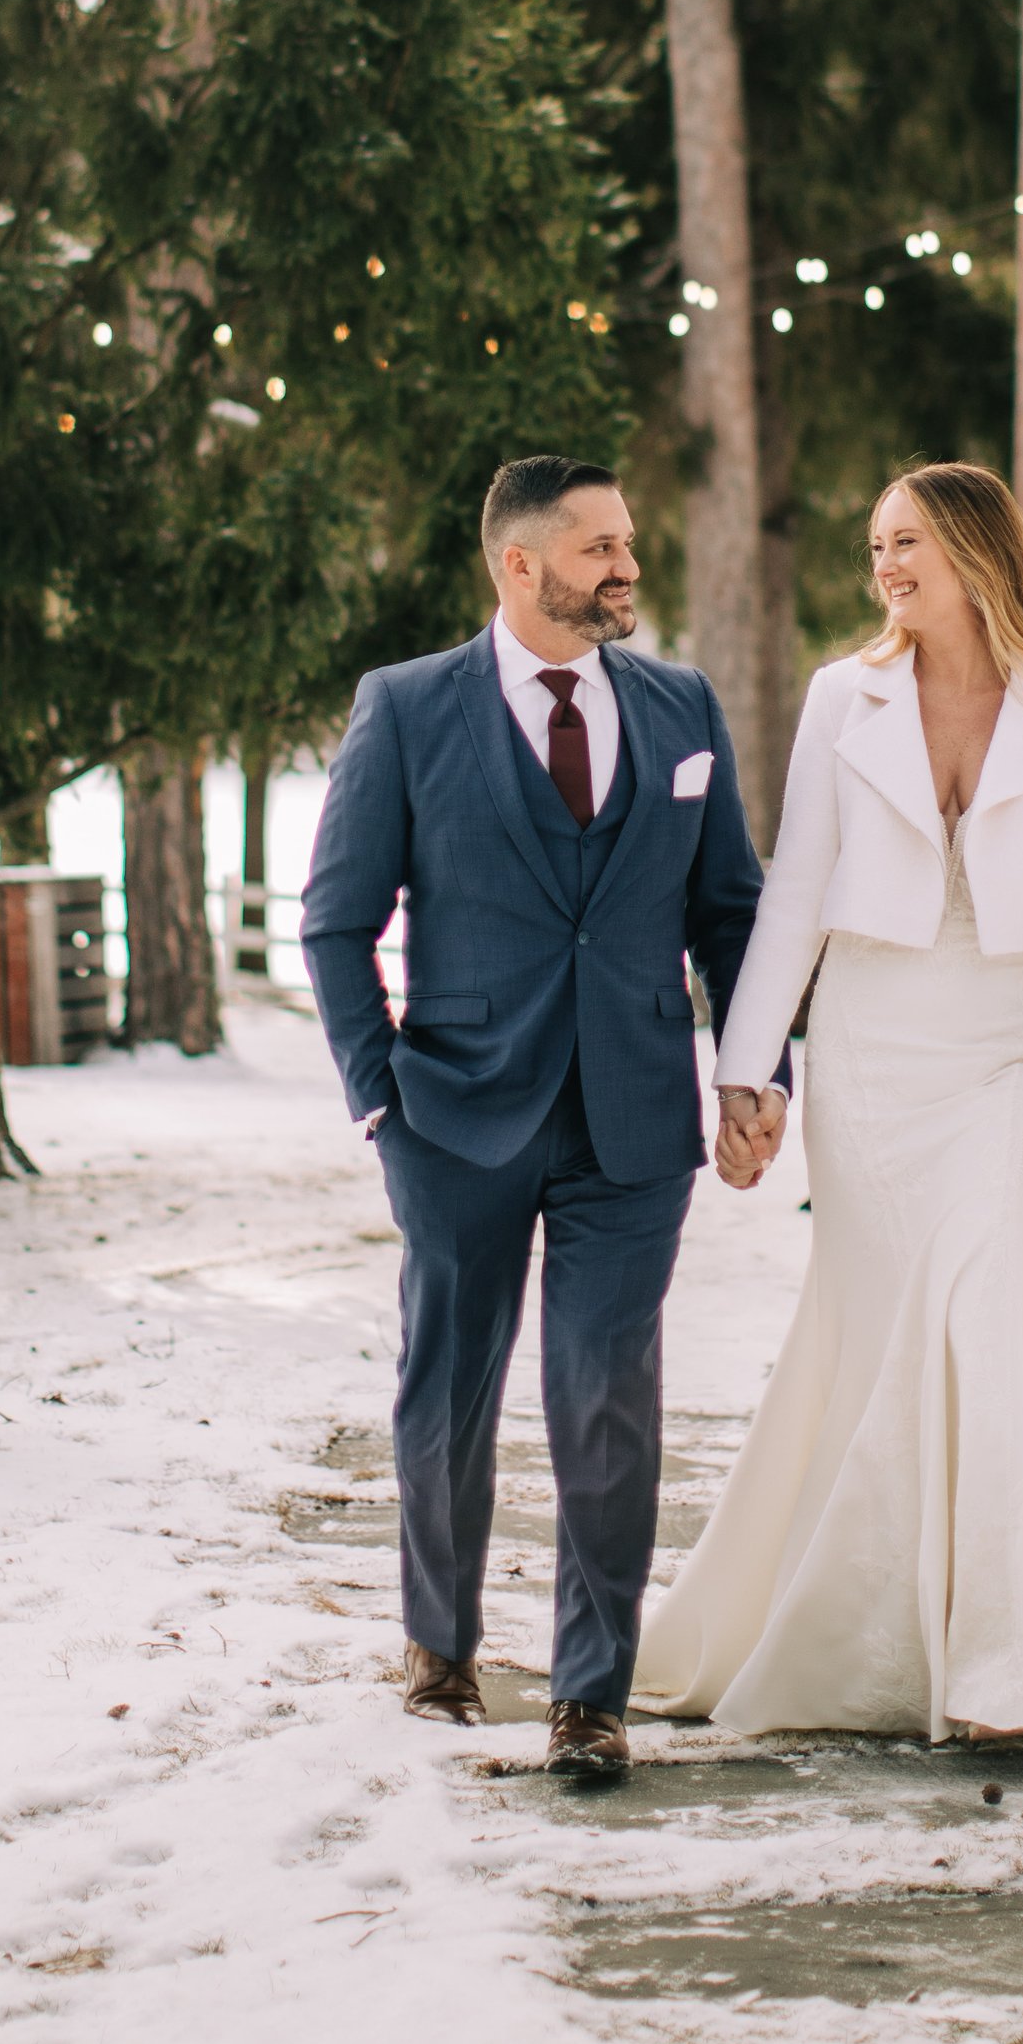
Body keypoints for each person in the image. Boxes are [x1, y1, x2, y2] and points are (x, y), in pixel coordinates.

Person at [634, 461, 1023, 1745]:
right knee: (871, 1332)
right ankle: (865, 1641)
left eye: (904, 539)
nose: (885, 565)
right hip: (871, 1052)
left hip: (1008, 1057)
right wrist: (745, 1068)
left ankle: (1003, 1664)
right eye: (874, 545)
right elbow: (793, 889)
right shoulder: (839, 698)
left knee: (985, 1307)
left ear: (974, 548)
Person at [301, 456, 773, 1784]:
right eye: (599, 547)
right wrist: (380, 1096)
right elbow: (338, 920)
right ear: (520, 564)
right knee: (447, 1392)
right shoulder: (405, 709)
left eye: (628, 541)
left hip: (633, 1121)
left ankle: (588, 1690)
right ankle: (441, 1642)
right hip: (452, 1116)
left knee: (606, 1400)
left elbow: (729, 910)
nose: (627, 565)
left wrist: (751, 1069)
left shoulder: (681, 708)